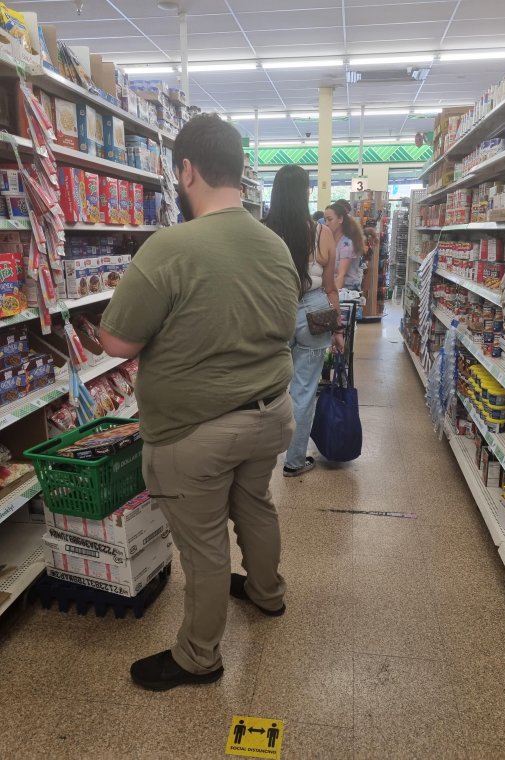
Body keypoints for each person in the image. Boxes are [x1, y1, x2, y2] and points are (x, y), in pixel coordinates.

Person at [99, 114, 299, 692]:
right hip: (270, 413)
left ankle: (198, 658)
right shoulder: (275, 245)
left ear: (186, 171)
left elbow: (117, 342)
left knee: (205, 548)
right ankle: (266, 593)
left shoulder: (170, 247)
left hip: (196, 432)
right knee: (256, 505)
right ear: (238, 169)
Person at [264, 165, 344, 477]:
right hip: (314, 313)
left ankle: (260, 463)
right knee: (304, 389)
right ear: (306, 193)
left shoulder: (264, 233)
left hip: (274, 312)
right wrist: (337, 329)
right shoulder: (323, 233)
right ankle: (294, 461)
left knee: (268, 388)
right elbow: (330, 287)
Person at [324, 201, 365, 291]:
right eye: (325, 220)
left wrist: (332, 296)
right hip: (334, 287)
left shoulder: (347, 245)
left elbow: (341, 276)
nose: (326, 223)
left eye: (330, 219)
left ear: (340, 219)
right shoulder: (330, 241)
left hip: (348, 290)